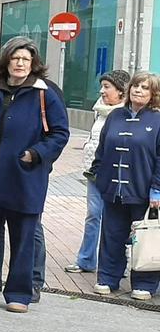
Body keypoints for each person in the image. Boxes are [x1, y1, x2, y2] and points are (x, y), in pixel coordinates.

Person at [0, 37, 69, 313]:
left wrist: (34, 154)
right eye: (15, 58)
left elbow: (59, 133)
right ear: (7, 61)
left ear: (33, 64)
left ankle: (19, 294)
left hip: (23, 177)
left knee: (23, 237)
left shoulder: (45, 94)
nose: (20, 63)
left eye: (26, 60)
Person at [91, 72, 160, 300]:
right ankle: (108, 278)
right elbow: (101, 149)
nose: (138, 91)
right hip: (113, 188)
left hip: (143, 190)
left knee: (145, 237)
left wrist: (156, 189)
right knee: (111, 235)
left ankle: (145, 283)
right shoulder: (116, 116)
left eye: (144, 88)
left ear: (153, 94)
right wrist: (99, 175)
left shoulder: (157, 119)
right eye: (136, 86)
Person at [66, 70, 128, 274]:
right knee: (93, 215)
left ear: (121, 91)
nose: (102, 91)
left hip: (117, 175)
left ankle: (116, 262)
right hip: (94, 172)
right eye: (102, 86)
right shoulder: (99, 111)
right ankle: (86, 260)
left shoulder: (127, 114)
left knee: (117, 220)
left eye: (107, 87)